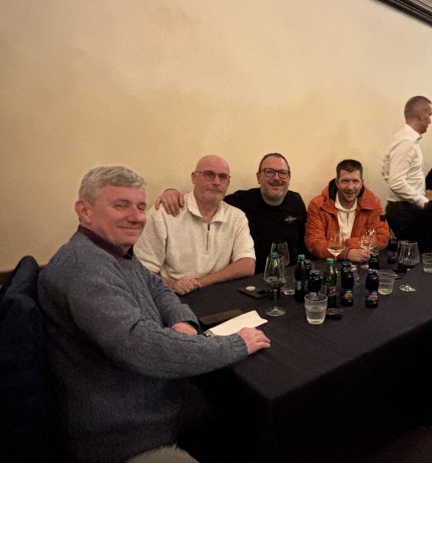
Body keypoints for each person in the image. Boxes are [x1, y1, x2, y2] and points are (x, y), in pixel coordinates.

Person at [37, 166, 270, 462]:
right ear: (84, 211)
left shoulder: (114, 251)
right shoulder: (85, 267)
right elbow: (144, 348)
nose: (136, 217)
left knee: (244, 412)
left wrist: (181, 320)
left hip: (157, 398)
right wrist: (236, 344)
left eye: (140, 207)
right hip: (124, 433)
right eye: (121, 205)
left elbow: (157, 288)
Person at [156, 153, 307, 272]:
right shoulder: (240, 202)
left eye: (283, 173)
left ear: (289, 177)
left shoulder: (296, 201)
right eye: (269, 172)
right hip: (254, 280)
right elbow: (210, 197)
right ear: (258, 177)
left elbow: (303, 245)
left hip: (290, 274)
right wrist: (171, 192)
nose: (276, 178)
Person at [135, 155, 256, 295]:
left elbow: (247, 264)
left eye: (223, 177)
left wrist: (199, 283)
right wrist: (173, 285)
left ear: (228, 182)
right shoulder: (163, 213)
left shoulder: (236, 216)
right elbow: (141, 270)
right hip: (173, 296)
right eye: (209, 175)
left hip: (219, 293)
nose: (216, 182)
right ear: (194, 178)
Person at [305, 159, 390, 261]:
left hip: (362, 263)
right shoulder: (317, 205)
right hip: (328, 263)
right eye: (345, 181)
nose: (350, 187)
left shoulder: (373, 203)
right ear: (337, 182)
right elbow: (314, 243)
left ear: (362, 183)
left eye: (355, 181)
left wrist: (347, 244)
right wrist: (347, 253)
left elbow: (382, 238)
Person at [382, 95, 432, 241]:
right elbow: (396, 182)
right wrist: (421, 200)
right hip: (405, 210)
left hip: (404, 207)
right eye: (429, 115)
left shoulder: (404, 139)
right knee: (411, 252)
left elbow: (386, 169)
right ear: (421, 115)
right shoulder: (407, 142)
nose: (430, 121)